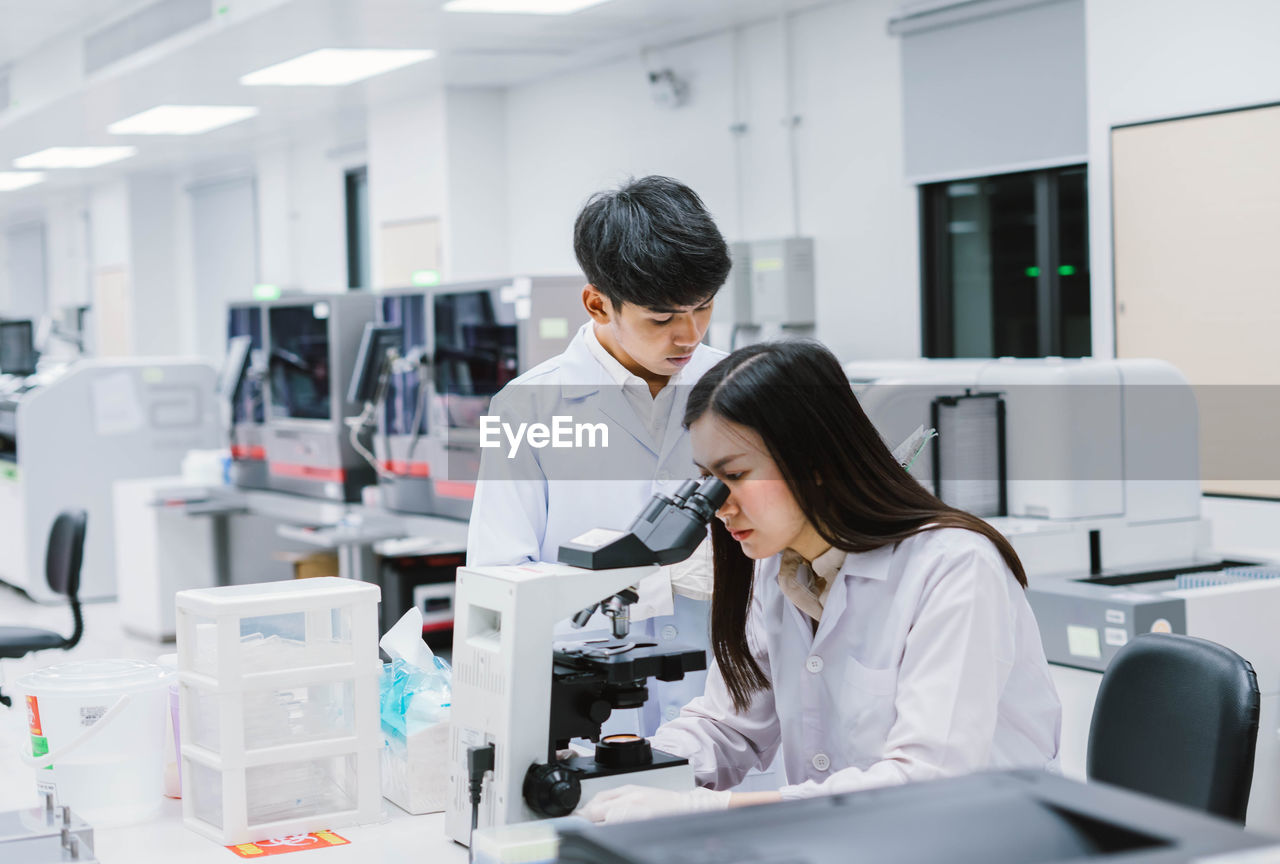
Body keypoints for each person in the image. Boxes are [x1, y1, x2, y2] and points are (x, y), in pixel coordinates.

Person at [582, 340, 1061, 822]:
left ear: (814, 463)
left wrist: (707, 806)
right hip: (843, 842)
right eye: (706, 479)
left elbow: (928, 779)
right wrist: (621, 778)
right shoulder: (779, 566)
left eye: (735, 475)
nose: (719, 505)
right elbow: (728, 726)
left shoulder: (954, 567)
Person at [466, 175, 732, 733]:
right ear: (597, 304)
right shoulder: (526, 409)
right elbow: (500, 577)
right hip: (591, 705)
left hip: (728, 700)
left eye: (703, 308)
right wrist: (652, 576)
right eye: (661, 318)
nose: (689, 334)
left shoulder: (739, 385)